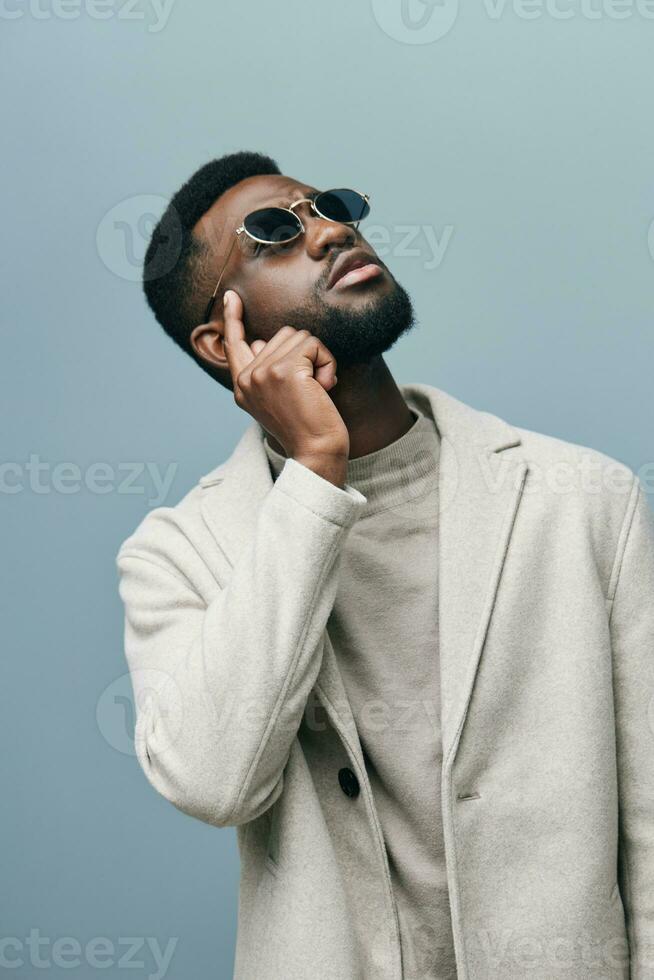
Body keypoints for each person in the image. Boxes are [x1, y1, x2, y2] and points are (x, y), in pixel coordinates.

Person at [116, 150, 654, 980]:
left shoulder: (583, 499)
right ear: (222, 343)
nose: (331, 230)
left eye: (325, 206)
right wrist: (315, 471)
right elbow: (214, 782)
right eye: (273, 235)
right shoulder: (178, 552)